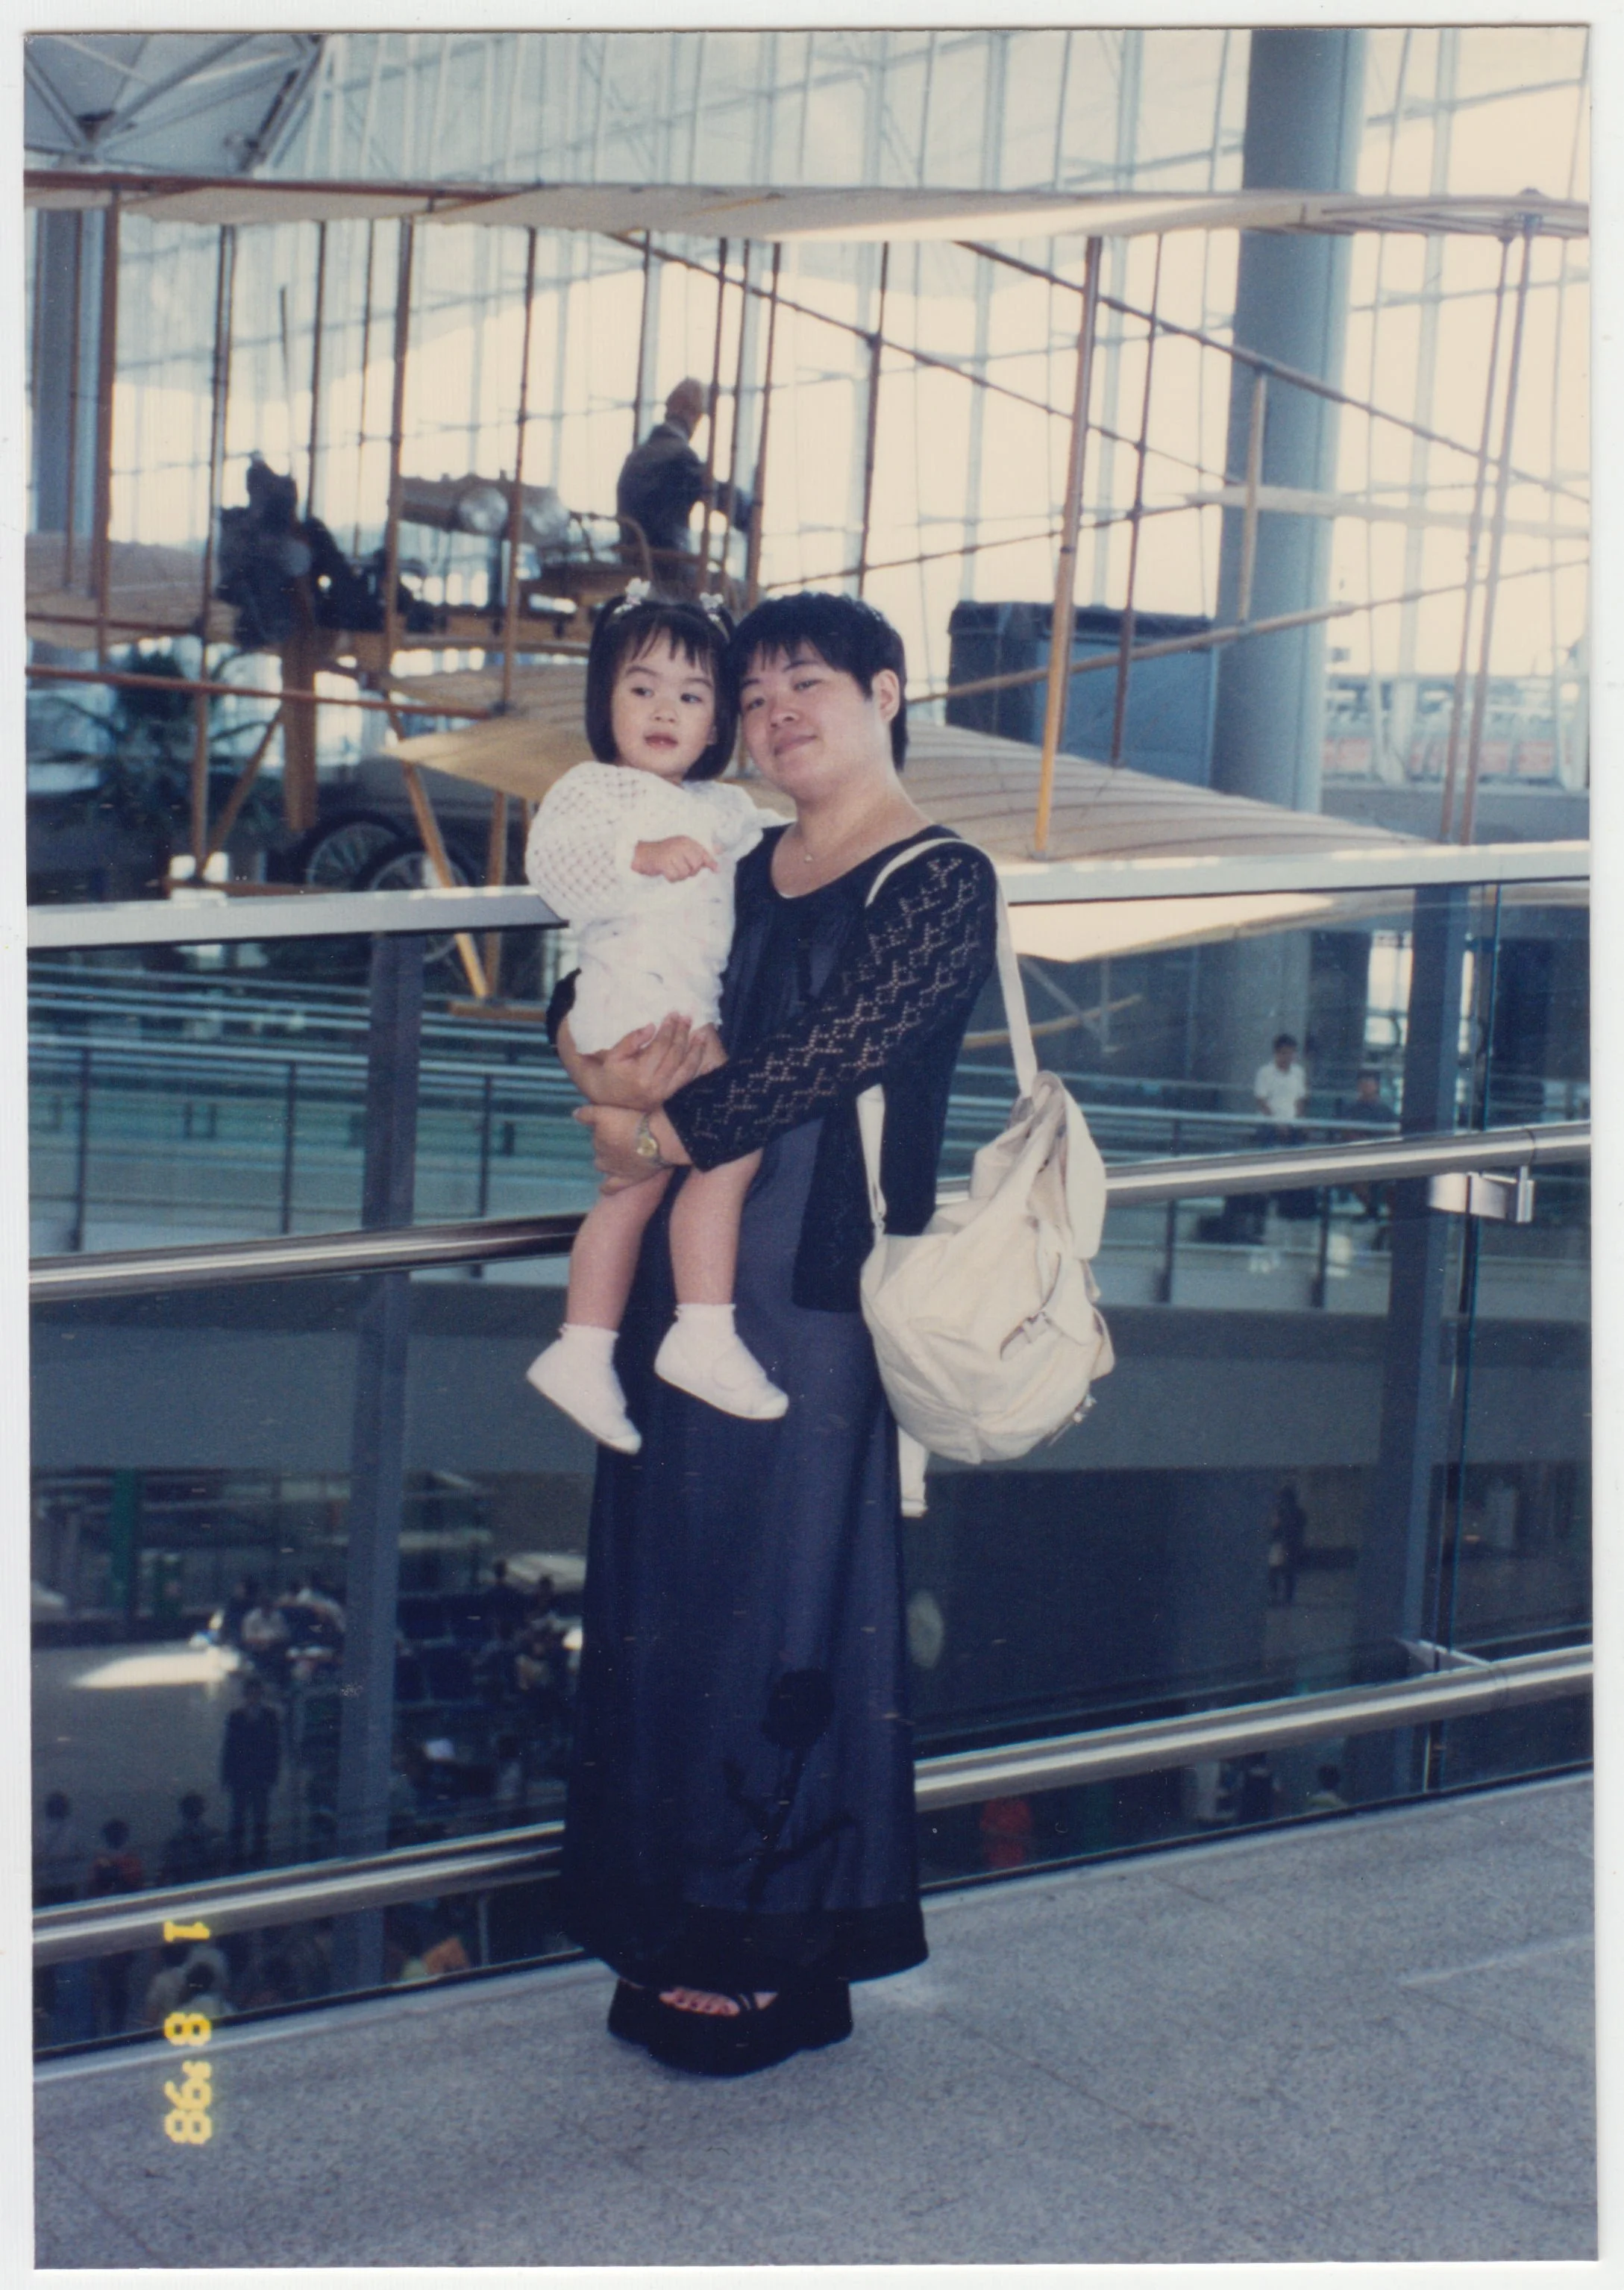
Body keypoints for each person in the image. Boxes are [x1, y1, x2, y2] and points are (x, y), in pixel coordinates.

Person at [554, 590, 998, 2076]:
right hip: (680, 1297)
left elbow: (838, 1049)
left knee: (786, 1607)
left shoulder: (937, 876)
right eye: (750, 699)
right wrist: (590, 1055)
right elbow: (599, 959)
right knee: (665, 1596)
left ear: (884, 689)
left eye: (802, 684)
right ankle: (673, 1924)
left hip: (807, 1303)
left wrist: (650, 1120)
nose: (770, 714)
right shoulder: (738, 852)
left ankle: (775, 1947)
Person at [524, 586, 784, 1450]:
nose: (664, 709)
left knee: (633, 1189)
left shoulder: (720, 808)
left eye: (691, 693)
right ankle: (701, 1331)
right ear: (606, 704)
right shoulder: (595, 791)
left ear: (717, 725)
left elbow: (766, 846)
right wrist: (636, 856)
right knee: (729, 1139)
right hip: (631, 1010)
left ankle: (582, 1350)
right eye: (641, 689)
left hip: (669, 1012)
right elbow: (553, 866)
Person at [615, 378, 752, 582]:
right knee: (749, 596)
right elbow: (716, 495)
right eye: (696, 414)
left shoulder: (639, 455)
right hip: (670, 569)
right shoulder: (678, 456)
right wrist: (750, 508)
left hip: (635, 564)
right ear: (684, 410)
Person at [86, 1819, 145, 2035]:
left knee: (115, 1980)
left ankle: (113, 2025)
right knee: (115, 1981)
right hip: (116, 1927)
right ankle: (114, 2025)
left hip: (115, 1926)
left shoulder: (106, 1862)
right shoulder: (128, 1861)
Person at [220, 1675, 281, 1867]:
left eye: (256, 1693)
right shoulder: (236, 1717)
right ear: (246, 1695)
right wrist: (227, 1775)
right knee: (238, 1817)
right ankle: (237, 1854)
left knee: (260, 1816)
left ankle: (259, 1853)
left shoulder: (270, 1717)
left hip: (261, 1776)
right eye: (250, 1693)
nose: (253, 1696)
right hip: (240, 1776)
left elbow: (275, 1748)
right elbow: (229, 1747)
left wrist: (273, 1774)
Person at [160, 1792, 223, 1887]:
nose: (195, 1809)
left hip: (208, 1887)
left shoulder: (215, 1837)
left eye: (196, 1806)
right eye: (192, 1807)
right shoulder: (176, 1841)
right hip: (190, 1888)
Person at [1254, 1033, 1308, 1132]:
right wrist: (1278, 1124)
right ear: (1276, 1053)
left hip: (1292, 1123)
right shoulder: (1264, 1072)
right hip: (1269, 1123)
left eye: (1291, 1053)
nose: (1288, 1057)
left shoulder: (1299, 1072)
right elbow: (1262, 1102)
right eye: (1284, 1053)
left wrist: (1296, 1121)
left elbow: (1300, 1100)